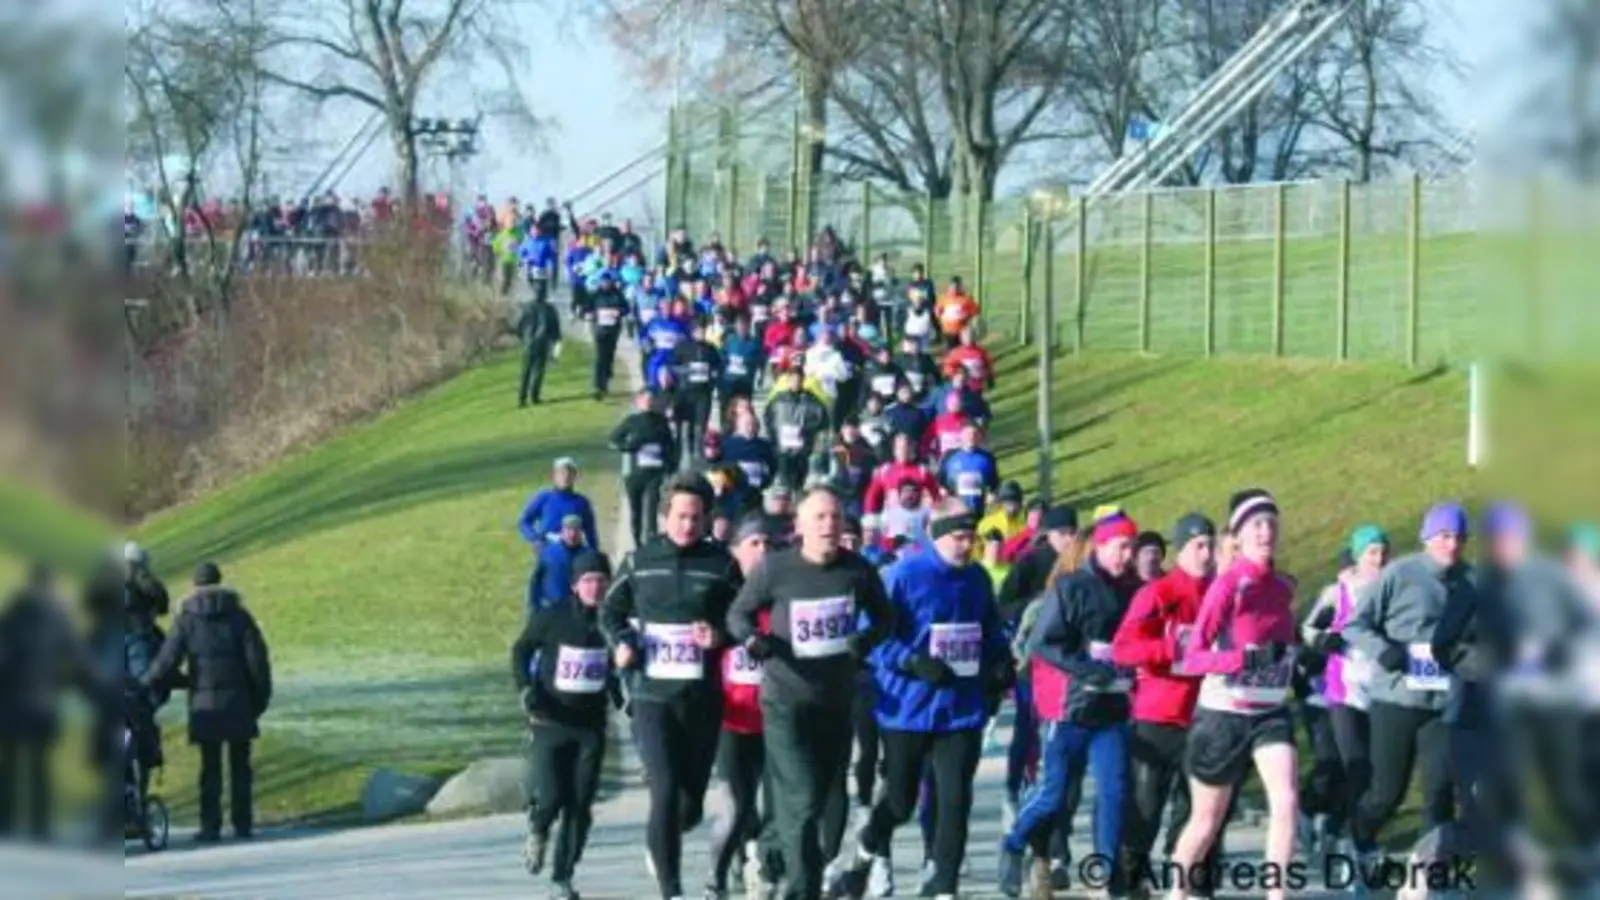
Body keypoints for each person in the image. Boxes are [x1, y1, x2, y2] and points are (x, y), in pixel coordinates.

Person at [837, 502, 1014, 900]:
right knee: (900, 802)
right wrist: (911, 661)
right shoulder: (903, 575)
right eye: (959, 537)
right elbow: (870, 637)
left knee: (955, 801)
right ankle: (868, 846)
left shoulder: (977, 578)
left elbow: (990, 630)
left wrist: (1001, 661)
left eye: (971, 538)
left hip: (961, 709)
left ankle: (944, 887)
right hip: (907, 708)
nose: (967, 546)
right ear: (937, 536)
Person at [727, 485, 896, 900]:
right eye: (819, 517)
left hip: (835, 702)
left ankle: (769, 855)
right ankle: (802, 890)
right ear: (800, 526)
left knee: (823, 801)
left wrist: (865, 640)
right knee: (802, 798)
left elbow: (886, 619)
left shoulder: (857, 570)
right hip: (785, 701)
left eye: (835, 517)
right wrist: (753, 639)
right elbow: (737, 614)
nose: (829, 525)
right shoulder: (775, 568)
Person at [600, 474, 744, 900]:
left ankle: (660, 840)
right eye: (681, 516)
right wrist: (622, 642)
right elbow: (609, 611)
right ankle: (672, 888)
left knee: (688, 806)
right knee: (663, 790)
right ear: (665, 515)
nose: (688, 525)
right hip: (651, 696)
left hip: (701, 699)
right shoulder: (641, 561)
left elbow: (742, 618)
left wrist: (719, 636)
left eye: (696, 518)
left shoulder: (721, 565)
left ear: (707, 518)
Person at [1161, 490, 1299, 900]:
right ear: (1237, 535)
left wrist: (1308, 650)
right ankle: (1177, 892)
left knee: (1287, 800)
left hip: (1270, 711)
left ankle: (1277, 895)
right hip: (1223, 714)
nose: (1266, 531)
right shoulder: (1227, 587)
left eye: (1271, 523)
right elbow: (1193, 658)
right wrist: (1247, 659)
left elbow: (1284, 645)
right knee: (1206, 821)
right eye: (1256, 524)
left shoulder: (1282, 587)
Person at [997, 513, 1140, 899]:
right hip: (1070, 709)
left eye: (1131, 547)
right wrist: (1089, 670)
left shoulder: (1134, 590)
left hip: (1112, 709)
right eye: (1120, 547)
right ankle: (1013, 843)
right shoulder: (1071, 586)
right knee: (1054, 794)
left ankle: (1105, 876)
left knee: (1114, 791)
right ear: (1100, 546)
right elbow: (1043, 642)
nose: (1127, 556)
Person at [1341, 502, 1475, 875]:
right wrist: (1386, 652)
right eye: (1444, 536)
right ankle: (1359, 838)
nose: (1452, 545)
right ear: (1427, 538)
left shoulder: (1472, 581)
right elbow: (1354, 625)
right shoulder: (1400, 573)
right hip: (1396, 697)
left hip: (1444, 703)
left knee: (1438, 792)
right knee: (1387, 794)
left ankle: (1431, 878)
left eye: (1459, 537)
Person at [1110, 514, 1222, 899]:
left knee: (1200, 814)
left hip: (1207, 718)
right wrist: (1169, 648)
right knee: (1145, 809)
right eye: (1198, 546)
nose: (1206, 554)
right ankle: (1128, 885)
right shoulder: (1158, 593)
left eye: (1210, 545)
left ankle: (1190, 887)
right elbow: (1124, 649)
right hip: (1158, 717)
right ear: (1181, 550)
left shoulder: (1221, 594)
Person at [513, 551, 622, 900]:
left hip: (590, 726)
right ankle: (538, 826)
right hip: (551, 720)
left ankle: (562, 878)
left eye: (601, 581)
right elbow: (521, 650)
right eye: (588, 581)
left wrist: (622, 692)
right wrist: (526, 690)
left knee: (580, 805)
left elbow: (619, 664)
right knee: (551, 797)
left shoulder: (614, 621)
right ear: (575, 585)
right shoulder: (553, 617)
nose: (595, 587)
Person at [142, 562, 274, 843]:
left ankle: (210, 826)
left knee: (210, 767)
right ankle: (242, 823)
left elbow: (166, 661)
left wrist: (146, 682)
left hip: (205, 703)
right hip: (239, 700)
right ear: (220, 581)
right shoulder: (240, 617)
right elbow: (258, 661)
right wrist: (260, 699)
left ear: (195, 586)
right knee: (241, 766)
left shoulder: (187, 620)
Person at [1297, 527, 1388, 857]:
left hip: (1381, 690)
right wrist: (1323, 640)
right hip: (1343, 689)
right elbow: (1307, 629)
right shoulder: (1338, 592)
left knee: (1376, 772)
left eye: (1383, 551)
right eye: (1372, 552)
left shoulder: (1395, 589)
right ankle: (1347, 836)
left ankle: (1336, 825)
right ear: (1358, 556)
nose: (1379, 558)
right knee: (1355, 766)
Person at [707, 516, 781, 900]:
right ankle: (717, 878)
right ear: (736, 551)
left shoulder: (786, 594)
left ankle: (763, 866)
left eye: (769, 543)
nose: (762, 550)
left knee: (778, 808)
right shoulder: (720, 596)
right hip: (731, 721)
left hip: (777, 721)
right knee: (736, 807)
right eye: (754, 543)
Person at [0, 564, 99, 840]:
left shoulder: (12, 615)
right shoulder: (56, 619)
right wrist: (92, 688)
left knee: (11, 764)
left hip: (12, 702)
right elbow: (77, 659)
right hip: (42, 701)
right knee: (38, 765)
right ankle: (38, 826)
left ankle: (7, 822)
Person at [612, 390, 679, 547]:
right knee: (636, 511)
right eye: (645, 399)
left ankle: (651, 543)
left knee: (651, 510)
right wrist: (629, 447)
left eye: (651, 399)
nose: (648, 402)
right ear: (638, 402)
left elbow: (671, 446)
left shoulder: (661, 421)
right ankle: (637, 544)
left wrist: (671, 467)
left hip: (655, 473)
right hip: (634, 474)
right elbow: (613, 440)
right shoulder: (631, 421)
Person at [764, 367, 830, 491]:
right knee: (785, 482)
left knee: (799, 483)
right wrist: (773, 438)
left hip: (802, 450)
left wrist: (810, 435)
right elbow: (768, 419)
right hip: (783, 449)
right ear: (788, 381)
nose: (796, 383)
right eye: (793, 380)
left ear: (803, 381)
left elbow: (823, 421)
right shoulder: (778, 400)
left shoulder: (812, 401)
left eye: (799, 380)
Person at [518, 458, 602, 551]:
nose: (565, 477)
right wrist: (535, 538)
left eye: (569, 473)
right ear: (554, 476)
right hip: (548, 550)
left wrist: (594, 553)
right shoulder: (544, 498)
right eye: (562, 473)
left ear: (575, 476)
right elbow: (524, 521)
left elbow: (590, 532)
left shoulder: (582, 502)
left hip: (574, 551)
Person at [673, 320, 723, 462]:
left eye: (703, 330)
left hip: (704, 393)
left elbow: (718, 366)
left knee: (701, 425)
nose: (701, 333)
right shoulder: (682, 347)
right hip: (686, 392)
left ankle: (700, 453)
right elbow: (673, 367)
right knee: (687, 424)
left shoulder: (711, 348)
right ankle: (686, 454)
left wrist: (713, 377)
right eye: (698, 331)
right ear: (692, 331)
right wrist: (686, 371)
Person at [530, 515, 591, 614]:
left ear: (581, 532)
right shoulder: (548, 553)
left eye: (576, 530)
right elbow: (536, 582)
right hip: (552, 608)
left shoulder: (588, 556)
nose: (572, 534)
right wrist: (535, 608)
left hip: (578, 611)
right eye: (569, 530)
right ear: (562, 531)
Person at [590, 270, 631, 399]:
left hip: (613, 331)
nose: (605, 284)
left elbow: (626, 308)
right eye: (603, 282)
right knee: (600, 357)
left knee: (609, 356)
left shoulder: (617, 295)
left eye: (607, 282)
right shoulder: (595, 295)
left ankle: (606, 379)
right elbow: (587, 308)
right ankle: (598, 386)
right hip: (599, 330)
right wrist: (592, 314)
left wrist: (619, 312)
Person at [518, 294, 564, 407]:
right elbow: (556, 329)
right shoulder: (550, 309)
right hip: (543, 343)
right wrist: (555, 343)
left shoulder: (528, 307)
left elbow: (520, 326)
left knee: (526, 371)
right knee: (538, 370)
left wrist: (524, 339)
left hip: (529, 343)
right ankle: (534, 396)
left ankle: (522, 398)